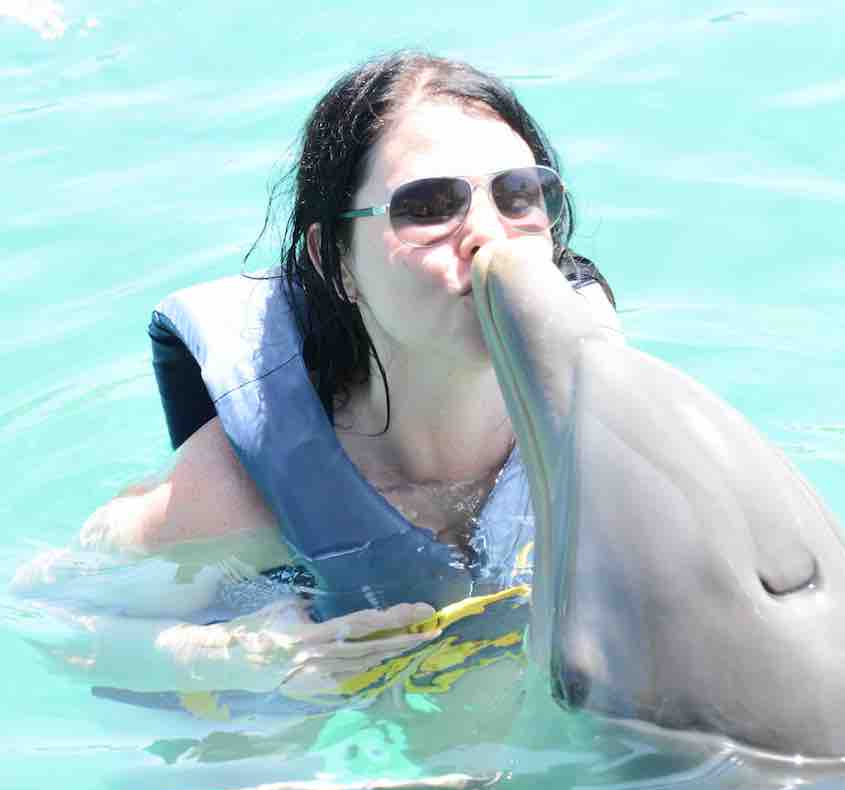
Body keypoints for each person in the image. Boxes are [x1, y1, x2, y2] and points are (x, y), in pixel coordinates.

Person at [12, 51, 619, 709]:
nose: (487, 236)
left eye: (517, 194)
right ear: (335, 260)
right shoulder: (239, 492)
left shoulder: (595, 411)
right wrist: (240, 655)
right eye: (429, 204)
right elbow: (44, 615)